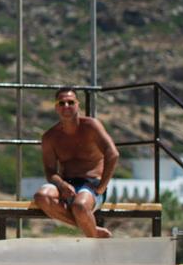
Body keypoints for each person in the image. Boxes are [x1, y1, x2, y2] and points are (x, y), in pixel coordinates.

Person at [32, 88, 120, 239]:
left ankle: (93, 240)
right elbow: (50, 171)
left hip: (92, 184)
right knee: (41, 196)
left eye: (71, 102)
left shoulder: (91, 126)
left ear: (78, 105)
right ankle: (92, 229)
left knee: (80, 206)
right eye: (62, 103)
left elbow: (112, 154)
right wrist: (62, 185)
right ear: (56, 107)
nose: (66, 106)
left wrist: (101, 187)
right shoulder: (50, 137)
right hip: (68, 184)